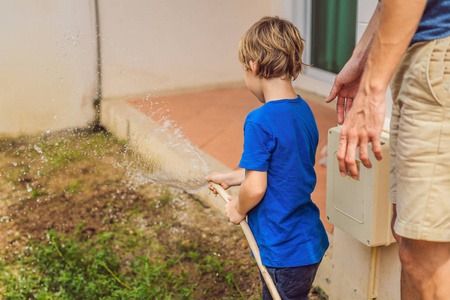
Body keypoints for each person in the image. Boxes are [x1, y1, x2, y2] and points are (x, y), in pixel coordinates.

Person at [325, 0, 450, 299]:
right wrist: (362, 61)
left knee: (425, 257)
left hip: (437, 58)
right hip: (422, 57)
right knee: (409, 240)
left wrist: (371, 90)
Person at [205, 16, 329, 300]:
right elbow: (283, 167)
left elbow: (257, 186)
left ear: (254, 66)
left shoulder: (259, 120)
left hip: (282, 247)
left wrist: (239, 207)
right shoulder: (304, 111)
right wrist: (230, 177)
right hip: (307, 240)